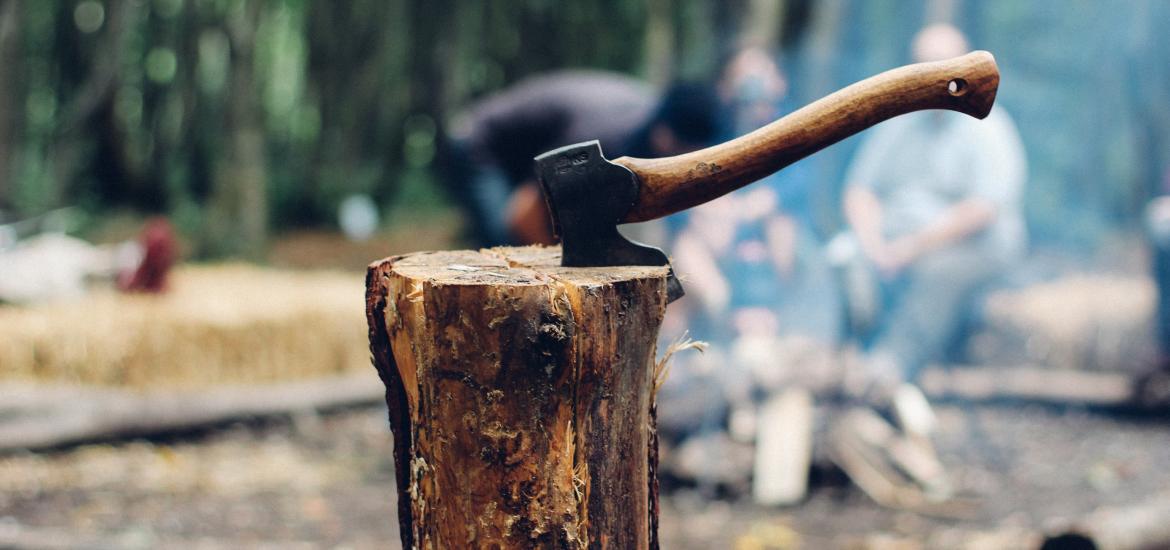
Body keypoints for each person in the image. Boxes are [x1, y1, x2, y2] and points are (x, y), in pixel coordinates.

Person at [840, 23, 1027, 392]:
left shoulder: (990, 127)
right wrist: (873, 245)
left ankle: (891, 366)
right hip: (893, 242)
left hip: (973, 246)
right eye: (923, 65)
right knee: (844, 257)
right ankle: (839, 359)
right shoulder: (896, 124)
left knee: (938, 272)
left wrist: (910, 249)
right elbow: (860, 190)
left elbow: (983, 209)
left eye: (942, 65)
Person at [442, 71, 720, 247]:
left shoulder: (649, 124)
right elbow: (523, 215)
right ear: (667, 136)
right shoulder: (604, 138)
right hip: (479, 143)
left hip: (526, 150)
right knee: (504, 247)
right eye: (684, 151)